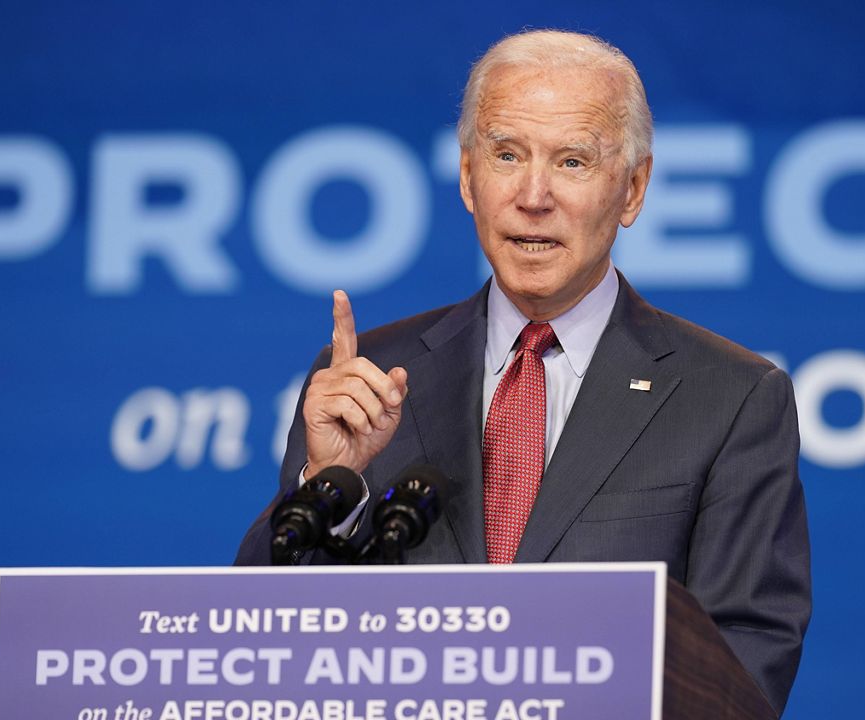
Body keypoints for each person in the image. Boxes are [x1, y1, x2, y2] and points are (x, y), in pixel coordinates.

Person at [236, 29, 811, 714]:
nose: (532, 196)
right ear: (467, 177)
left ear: (632, 189)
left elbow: (745, 665)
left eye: (572, 162)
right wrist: (330, 483)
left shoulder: (731, 398)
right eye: (507, 155)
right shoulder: (369, 379)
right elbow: (264, 638)